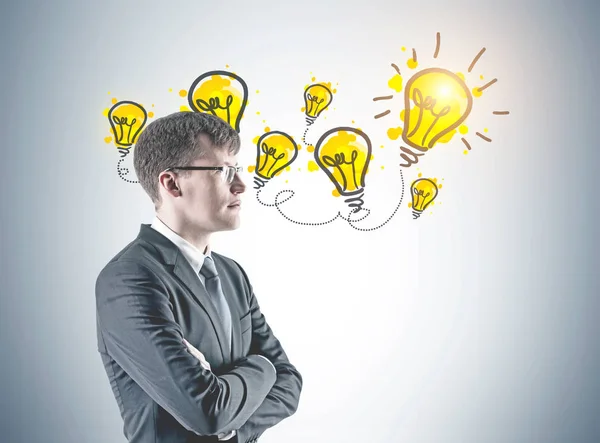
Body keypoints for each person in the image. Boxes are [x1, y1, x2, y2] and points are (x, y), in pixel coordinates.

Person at [95, 111, 303, 443]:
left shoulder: (232, 274)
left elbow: (290, 385)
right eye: (224, 172)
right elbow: (207, 412)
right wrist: (264, 367)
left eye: (238, 170)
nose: (241, 185)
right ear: (171, 183)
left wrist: (231, 427)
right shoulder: (129, 279)